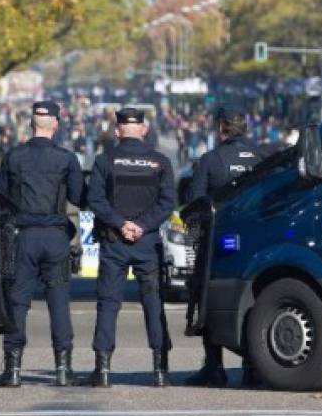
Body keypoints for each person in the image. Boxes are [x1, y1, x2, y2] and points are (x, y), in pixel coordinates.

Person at [0, 100, 84, 388]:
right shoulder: (66, 159)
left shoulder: (14, 157)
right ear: (56, 124)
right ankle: (62, 367)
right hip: (56, 236)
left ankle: (13, 368)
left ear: (31, 124)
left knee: (18, 302)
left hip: (24, 236)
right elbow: (79, 198)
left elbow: (0, 198)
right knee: (58, 302)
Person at [83, 107, 176, 388]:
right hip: (147, 242)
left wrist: (121, 224)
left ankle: (103, 370)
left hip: (115, 241)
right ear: (144, 130)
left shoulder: (105, 160)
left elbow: (95, 200)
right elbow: (167, 202)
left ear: (118, 130)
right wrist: (142, 226)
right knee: (153, 303)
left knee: (109, 304)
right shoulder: (160, 162)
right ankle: (160, 370)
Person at [185, 106, 265, 388]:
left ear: (221, 128)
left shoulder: (211, 160)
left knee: (207, 299)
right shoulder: (262, 159)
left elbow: (195, 204)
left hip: (219, 244)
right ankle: (253, 366)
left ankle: (214, 367)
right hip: (258, 243)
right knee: (256, 301)